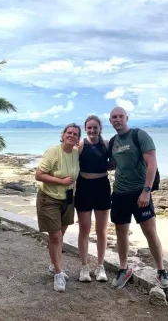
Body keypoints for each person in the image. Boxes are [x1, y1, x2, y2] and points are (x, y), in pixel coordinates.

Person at [107, 107, 168, 290]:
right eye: (114, 117)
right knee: (121, 232)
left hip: (139, 192)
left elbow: (152, 163)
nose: (117, 119)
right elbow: (112, 164)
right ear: (110, 120)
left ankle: (161, 271)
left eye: (120, 116)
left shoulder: (139, 135)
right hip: (119, 193)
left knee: (150, 232)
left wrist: (146, 191)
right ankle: (123, 269)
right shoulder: (113, 141)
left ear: (126, 118)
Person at [34, 123, 81, 292]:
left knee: (60, 235)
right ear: (63, 134)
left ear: (78, 138)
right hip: (49, 199)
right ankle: (59, 273)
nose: (71, 136)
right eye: (69, 132)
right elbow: (38, 175)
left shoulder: (76, 153)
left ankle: (54, 265)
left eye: (75, 134)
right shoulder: (53, 152)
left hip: (68, 199)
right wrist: (61, 181)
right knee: (55, 237)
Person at [74, 115, 111, 282]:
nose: (92, 130)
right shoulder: (81, 145)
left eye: (95, 127)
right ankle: (84, 267)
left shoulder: (107, 144)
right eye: (89, 127)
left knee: (102, 231)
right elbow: (70, 161)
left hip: (102, 187)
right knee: (84, 230)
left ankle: (100, 266)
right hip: (84, 188)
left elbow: (114, 163)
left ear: (100, 128)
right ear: (85, 128)